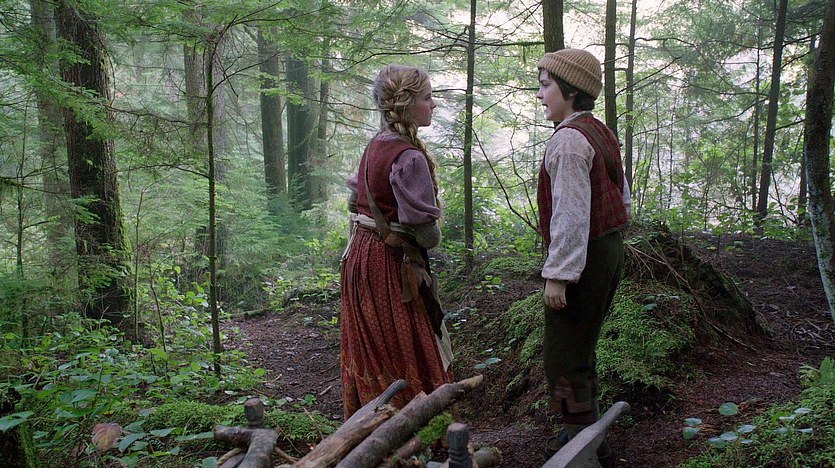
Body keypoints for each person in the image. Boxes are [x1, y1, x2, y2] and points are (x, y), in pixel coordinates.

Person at [340, 64, 454, 420]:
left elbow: (354, 201)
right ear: (406, 105)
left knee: (375, 347)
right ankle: (417, 428)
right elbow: (426, 234)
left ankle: (372, 426)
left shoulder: (375, 144)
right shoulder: (409, 157)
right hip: (390, 265)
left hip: (360, 258)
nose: (433, 104)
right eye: (427, 98)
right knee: (406, 343)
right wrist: (427, 233)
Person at [534, 49, 630, 459]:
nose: (540, 94)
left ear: (571, 90)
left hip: (585, 257)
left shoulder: (570, 141)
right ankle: (585, 431)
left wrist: (558, 274)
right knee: (580, 347)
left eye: (546, 86)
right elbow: (623, 196)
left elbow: (571, 216)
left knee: (563, 357)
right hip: (606, 249)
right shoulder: (597, 130)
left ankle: (581, 448)